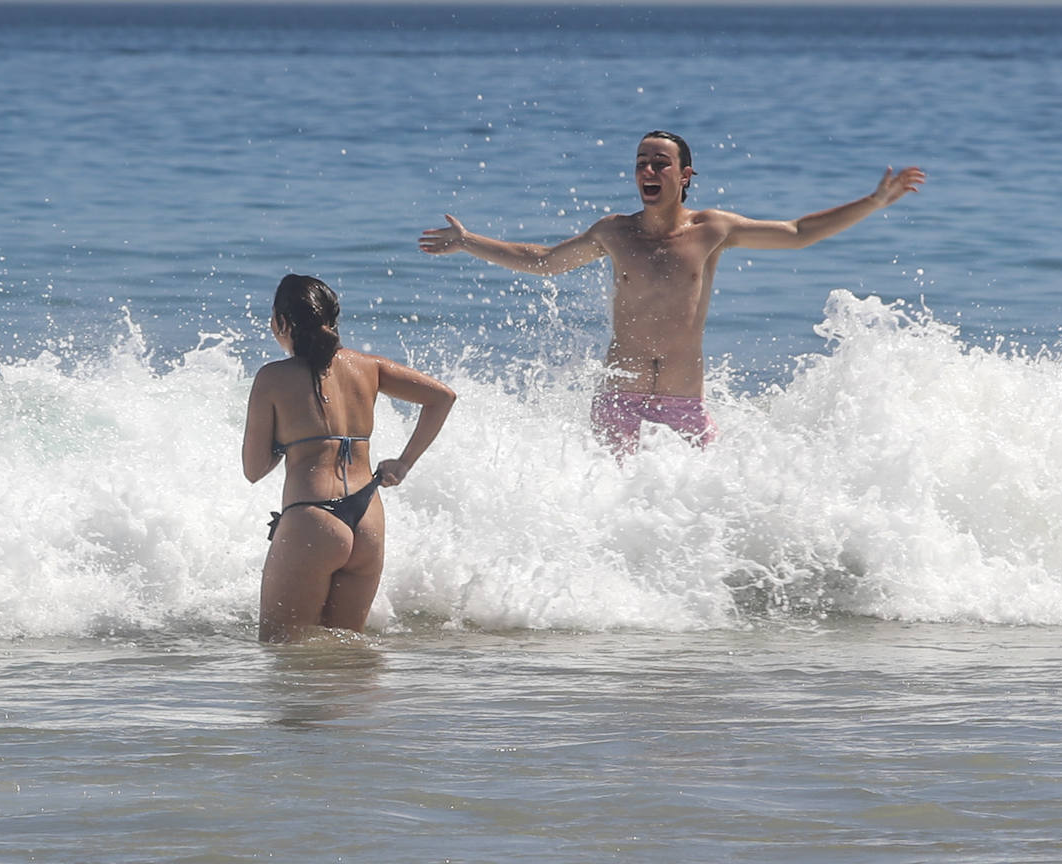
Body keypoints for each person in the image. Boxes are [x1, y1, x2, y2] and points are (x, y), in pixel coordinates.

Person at [419, 130, 924, 457]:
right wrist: (469, 242)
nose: (647, 171)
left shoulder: (713, 229)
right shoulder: (615, 232)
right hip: (619, 400)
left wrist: (874, 202)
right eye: (641, 162)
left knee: (711, 509)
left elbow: (796, 232)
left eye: (660, 163)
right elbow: (544, 262)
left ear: (684, 177)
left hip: (685, 404)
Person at [242, 274, 455, 642]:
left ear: (281, 322)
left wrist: (289, 439)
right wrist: (403, 463)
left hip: (313, 518)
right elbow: (442, 397)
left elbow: (254, 469)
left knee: (282, 648)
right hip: (368, 519)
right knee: (346, 652)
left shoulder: (272, 378)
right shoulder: (368, 367)